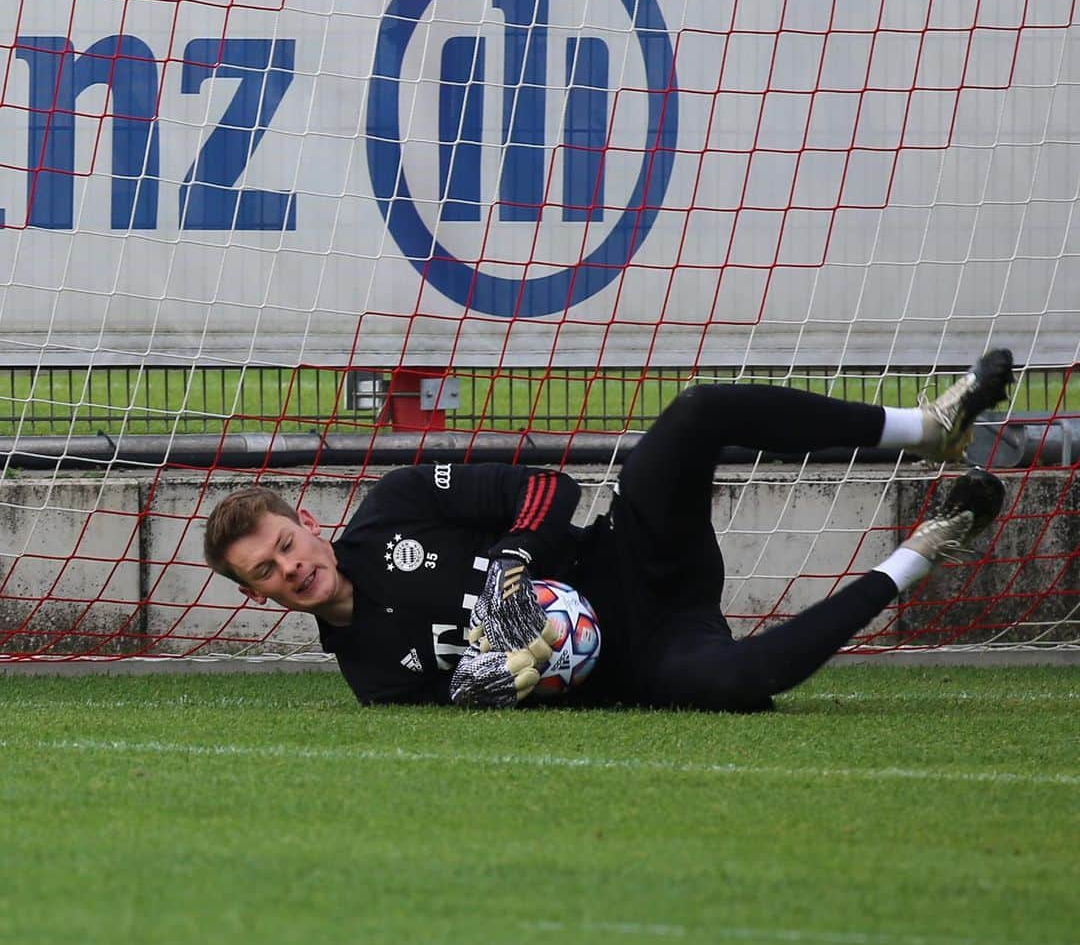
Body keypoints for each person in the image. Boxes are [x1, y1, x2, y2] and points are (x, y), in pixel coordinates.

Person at [203, 349, 1013, 711]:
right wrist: (488, 689)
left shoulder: (397, 505)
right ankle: (925, 550)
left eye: (284, 545)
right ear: (259, 598)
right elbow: (471, 699)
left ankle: (926, 426)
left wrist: (510, 565)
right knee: (732, 686)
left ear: (307, 523)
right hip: (637, 658)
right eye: (266, 573)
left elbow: (550, 488)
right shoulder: (371, 680)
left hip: (630, 550)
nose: (289, 567)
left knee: (698, 411)